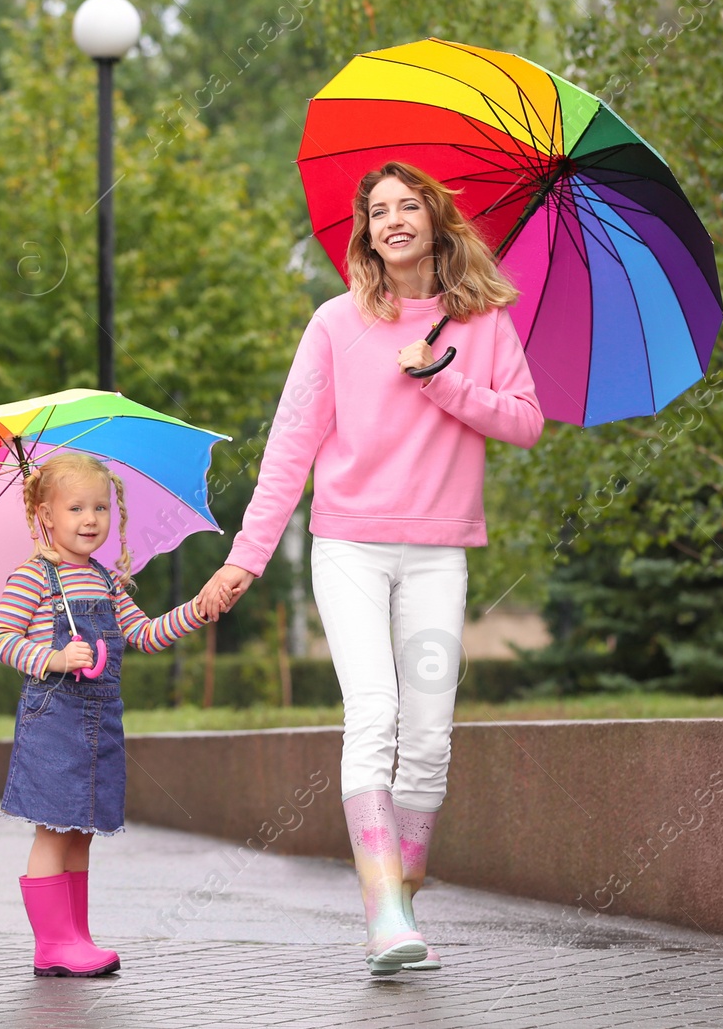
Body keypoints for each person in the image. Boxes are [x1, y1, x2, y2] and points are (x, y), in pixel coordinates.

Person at [197, 160, 544, 976]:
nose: (392, 218)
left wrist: (445, 379)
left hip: (438, 552)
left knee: (428, 734)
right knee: (375, 712)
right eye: (378, 209)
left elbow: (525, 423)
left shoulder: (485, 322)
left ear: (433, 220)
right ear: (366, 231)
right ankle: (382, 909)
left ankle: (404, 887)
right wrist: (246, 558)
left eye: (407, 205)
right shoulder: (334, 323)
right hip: (348, 546)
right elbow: (290, 450)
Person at [0, 453, 220, 977]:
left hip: (99, 721)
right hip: (54, 720)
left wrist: (198, 609)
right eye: (75, 508)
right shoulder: (35, 577)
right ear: (46, 515)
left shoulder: (106, 580)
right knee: (54, 828)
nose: (90, 520)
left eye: (100, 508)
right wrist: (51, 657)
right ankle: (52, 944)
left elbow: (144, 635)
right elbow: (1, 640)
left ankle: (76, 935)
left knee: (83, 827)